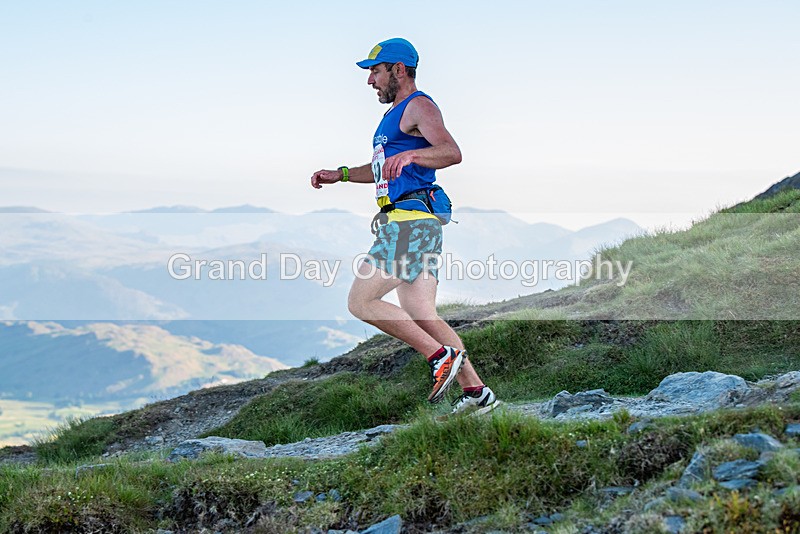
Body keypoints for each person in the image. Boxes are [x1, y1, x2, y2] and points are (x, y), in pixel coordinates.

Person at [311, 38, 499, 417]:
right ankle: (477, 394)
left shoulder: (419, 105)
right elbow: (383, 168)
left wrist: (414, 153)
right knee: (422, 314)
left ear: (399, 69)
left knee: (361, 301)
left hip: (410, 223)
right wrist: (343, 175)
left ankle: (438, 356)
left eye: (375, 72)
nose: (370, 82)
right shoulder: (391, 116)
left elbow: (450, 151)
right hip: (412, 223)